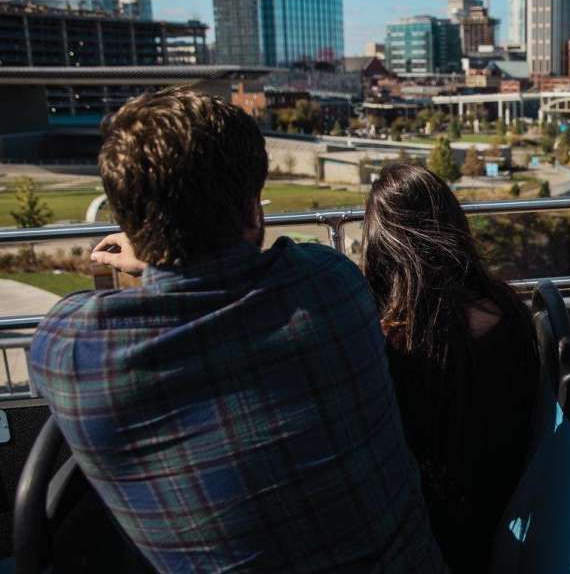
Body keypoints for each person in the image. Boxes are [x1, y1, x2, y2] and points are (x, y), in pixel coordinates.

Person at [28, 87, 444, 572]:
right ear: (253, 208)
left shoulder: (73, 349)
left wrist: (160, 255)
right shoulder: (332, 285)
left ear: (129, 219)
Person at [361, 162, 541, 573]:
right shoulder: (508, 307)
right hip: (510, 502)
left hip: (439, 533)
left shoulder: (392, 343)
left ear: (383, 244)